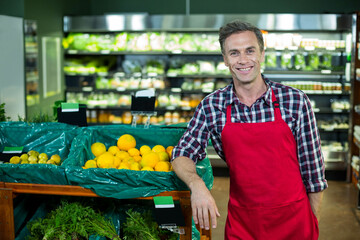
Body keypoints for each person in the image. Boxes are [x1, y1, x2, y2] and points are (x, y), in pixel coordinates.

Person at [170, 20, 327, 239]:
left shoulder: (295, 101)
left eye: (250, 51)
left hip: (295, 222)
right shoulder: (212, 106)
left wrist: (311, 222)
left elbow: (314, 175)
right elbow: (181, 154)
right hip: (243, 224)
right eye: (234, 53)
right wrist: (197, 185)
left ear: (262, 54)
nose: (243, 60)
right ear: (225, 59)